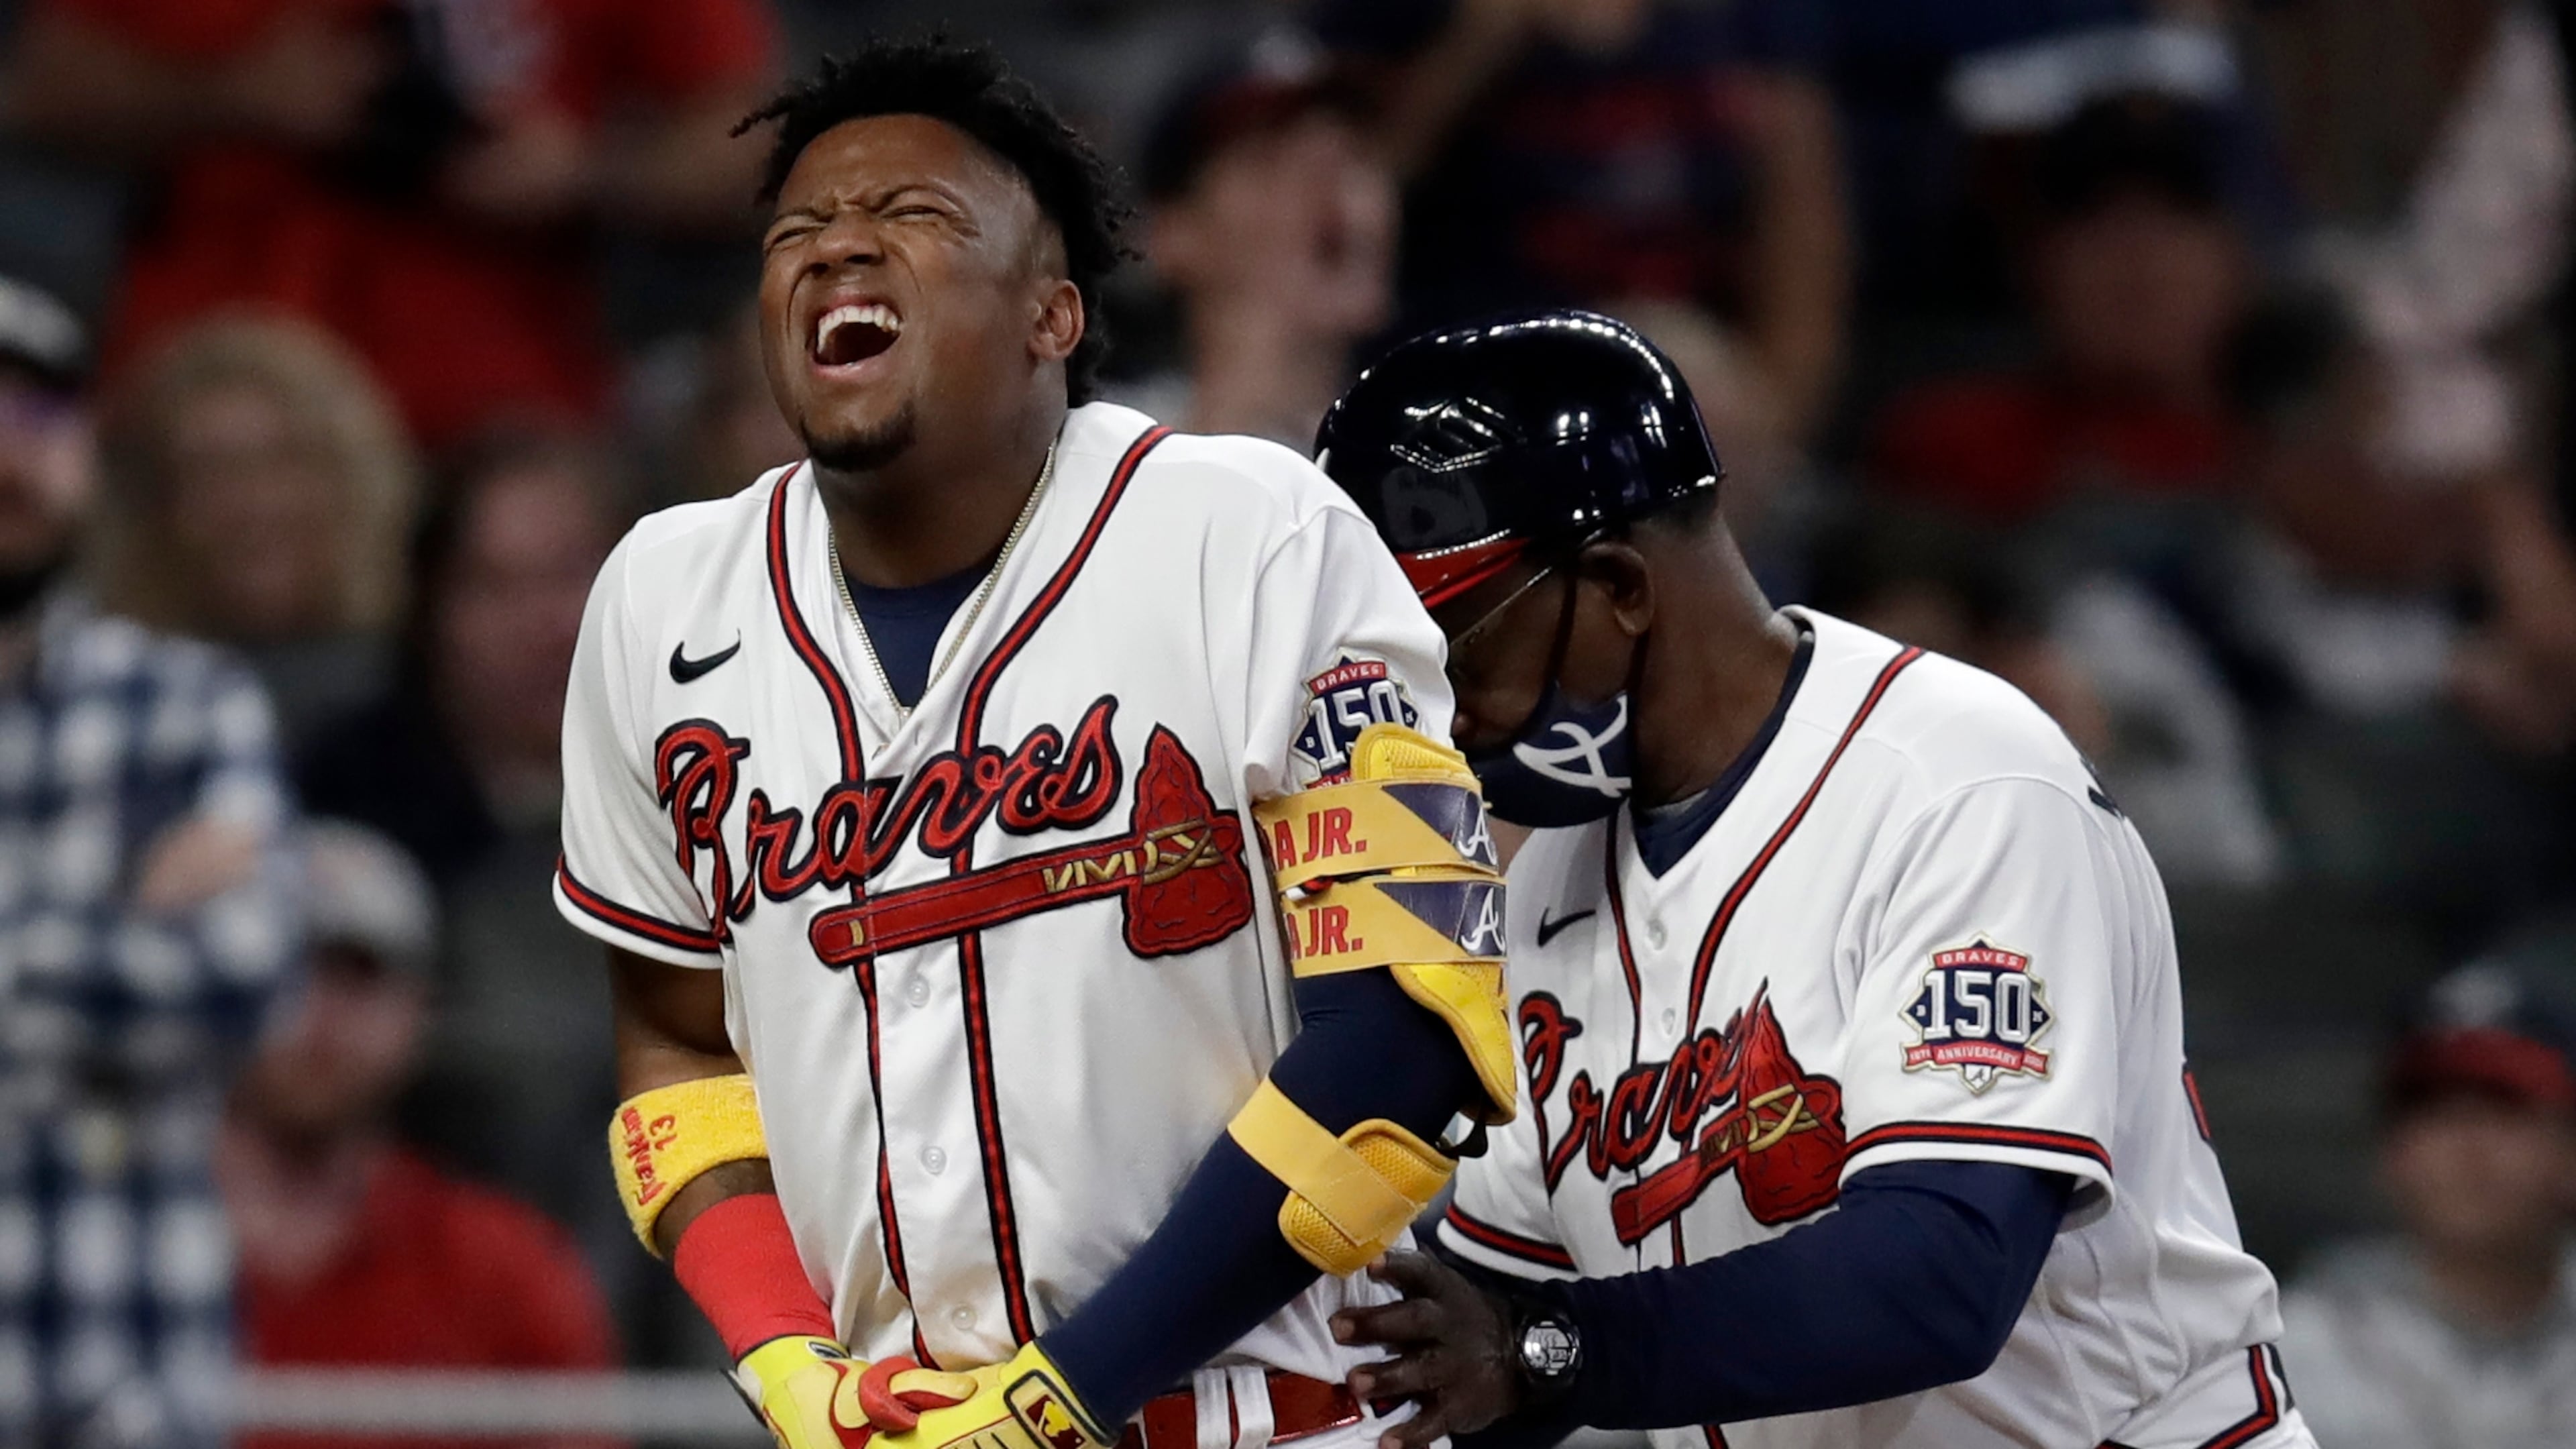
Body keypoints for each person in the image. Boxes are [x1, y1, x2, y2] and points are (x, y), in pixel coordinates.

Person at [554, 38, 1507, 1449]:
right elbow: (679, 1045)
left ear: (1054, 313)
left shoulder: (1255, 534)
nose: (840, 251)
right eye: (798, 231)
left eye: (917, 220)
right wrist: (783, 1361)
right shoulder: (661, 596)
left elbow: (1408, 1037)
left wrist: (1067, 1394)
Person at [1312, 311, 2313, 1448]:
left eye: (1458, 658)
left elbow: (1940, 1272)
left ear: (1619, 585)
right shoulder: (1550, 888)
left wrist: (1552, 1351)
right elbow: (1480, 1343)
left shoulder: (1961, 781)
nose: (1441, 717)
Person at [0, 272, 299, 1447]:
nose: (9, 458)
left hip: (131, 1381)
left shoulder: (186, 702)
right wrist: (116, 916)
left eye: (39, 420)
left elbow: (243, 984)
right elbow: (162, 974)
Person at [3, 0, 780, 447]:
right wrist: (234, 92)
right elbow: (38, 88)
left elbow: (761, 139)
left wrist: (587, 170)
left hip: (493, 406)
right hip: (211, 402)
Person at [222, 820, 619, 1449]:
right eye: (279, 966)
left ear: (420, 1010)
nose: (314, 1011)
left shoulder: (506, 1272)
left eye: (359, 974)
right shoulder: (117, 1252)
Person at [1317, 0, 1847, 440]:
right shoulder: (1411, 21)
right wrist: (1479, 44)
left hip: (1692, 368)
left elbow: (1805, 240)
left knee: (1696, 389)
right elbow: (1355, 186)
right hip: (1477, 366)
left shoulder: (1738, 29)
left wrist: (1779, 420)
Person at [2279, 960, 2576, 1448]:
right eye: (2434, 1114)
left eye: (2503, 1111)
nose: (2467, 1147)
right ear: (2390, 1153)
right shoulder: (2292, 1351)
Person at [91, 313, 419, 751]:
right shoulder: (114, 707)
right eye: (208, 471)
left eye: (281, 460)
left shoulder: (433, 687)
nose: (251, 503)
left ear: (351, 482)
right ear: (156, 506)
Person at [1122, 29, 1397, 447]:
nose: (1333, 186)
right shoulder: (1085, 452)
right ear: (1173, 235)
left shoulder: (1440, 473)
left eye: (1354, 157)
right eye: (1269, 163)